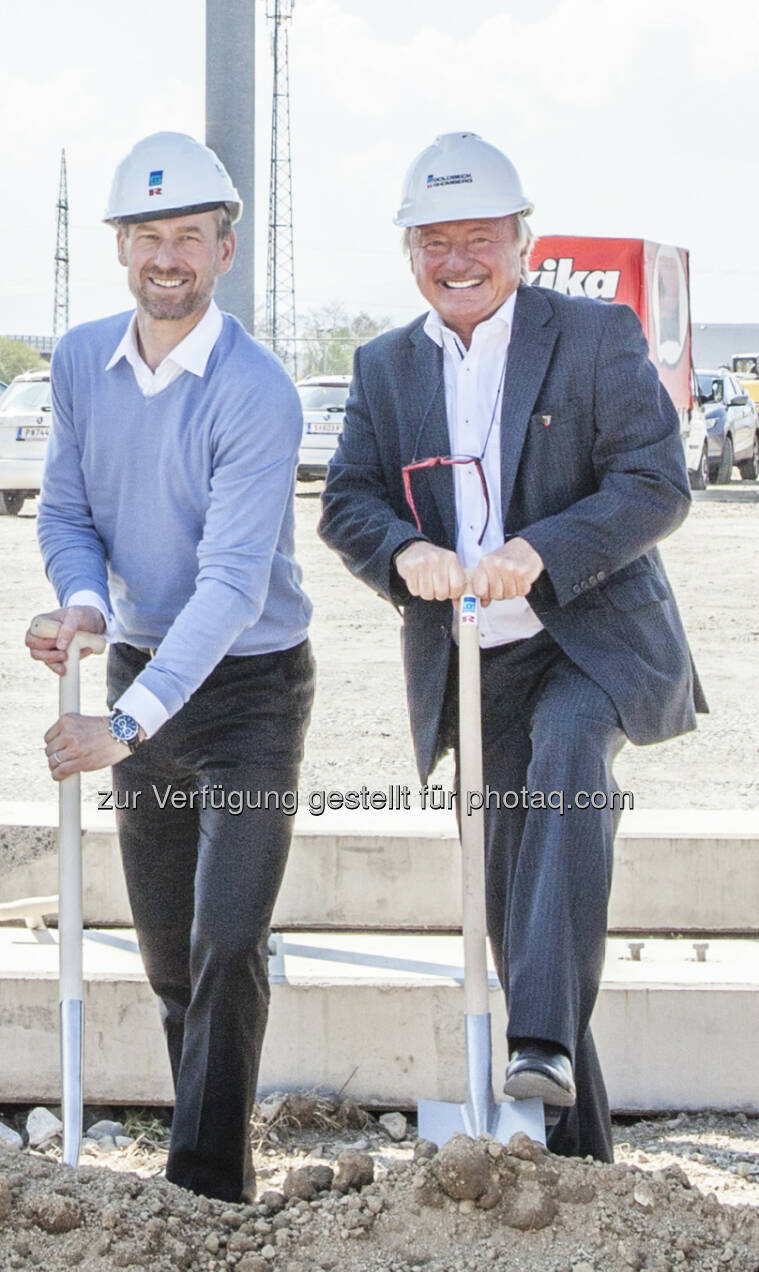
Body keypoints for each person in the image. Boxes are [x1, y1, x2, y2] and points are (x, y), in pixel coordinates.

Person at [319, 131, 706, 1162]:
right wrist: (407, 556)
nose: (457, 259)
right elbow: (349, 501)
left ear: (521, 241)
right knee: (515, 901)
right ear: (410, 253)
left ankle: (534, 1037)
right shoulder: (385, 366)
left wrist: (539, 549)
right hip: (474, 662)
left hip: (590, 642)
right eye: (435, 240)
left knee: (570, 758)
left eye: (478, 236)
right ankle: (576, 1159)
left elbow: (655, 482)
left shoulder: (593, 335)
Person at [26, 132, 314, 1203]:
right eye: (149, 235)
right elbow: (67, 511)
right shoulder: (78, 361)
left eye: (190, 235)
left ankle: (201, 1192)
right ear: (119, 246)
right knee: (167, 961)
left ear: (224, 251)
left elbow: (234, 585)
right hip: (141, 663)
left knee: (228, 936)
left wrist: (126, 726)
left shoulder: (256, 390)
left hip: (250, 691)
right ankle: (220, 1154)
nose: (168, 256)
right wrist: (87, 603)